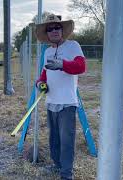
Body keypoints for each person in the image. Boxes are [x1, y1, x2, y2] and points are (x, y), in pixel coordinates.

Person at [35, 14, 87, 180]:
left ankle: (66, 174)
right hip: (51, 101)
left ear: (62, 30)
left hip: (67, 103)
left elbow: (81, 66)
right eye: (50, 29)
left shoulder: (73, 46)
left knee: (66, 141)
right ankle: (57, 165)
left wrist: (63, 64)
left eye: (57, 27)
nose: (54, 31)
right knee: (54, 139)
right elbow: (44, 74)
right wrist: (40, 84)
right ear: (47, 33)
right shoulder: (48, 51)